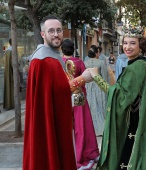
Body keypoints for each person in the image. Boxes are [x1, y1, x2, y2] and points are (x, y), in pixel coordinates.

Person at [85, 25, 146, 169]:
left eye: (132, 43)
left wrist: (96, 77)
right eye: (125, 43)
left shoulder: (135, 68)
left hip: (134, 122)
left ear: (141, 46)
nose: (127, 47)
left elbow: (120, 97)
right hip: (137, 118)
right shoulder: (140, 63)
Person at [23, 15, 80, 170]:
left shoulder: (52, 57)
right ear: (43, 34)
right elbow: (59, 90)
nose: (56, 34)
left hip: (57, 119)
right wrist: (82, 79)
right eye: (51, 31)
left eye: (59, 30)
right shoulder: (43, 60)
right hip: (49, 121)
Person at [61, 39, 99, 169]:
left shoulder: (59, 63)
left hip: (64, 99)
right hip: (79, 98)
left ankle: (71, 155)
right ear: (74, 49)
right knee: (82, 127)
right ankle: (83, 154)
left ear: (62, 49)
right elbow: (86, 78)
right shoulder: (79, 62)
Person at [84, 45, 108, 136]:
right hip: (99, 86)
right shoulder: (101, 63)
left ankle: (90, 128)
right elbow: (105, 76)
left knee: (90, 107)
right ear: (96, 53)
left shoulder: (85, 63)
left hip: (88, 86)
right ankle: (101, 128)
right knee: (100, 107)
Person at [3, 38, 14, 110]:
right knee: (11, 87)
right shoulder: (11, 51)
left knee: (8, 86)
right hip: (11, 72)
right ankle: (11, 104)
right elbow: (13, 64)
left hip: (7, 71)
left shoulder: (7, 51)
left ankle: (7, 104)